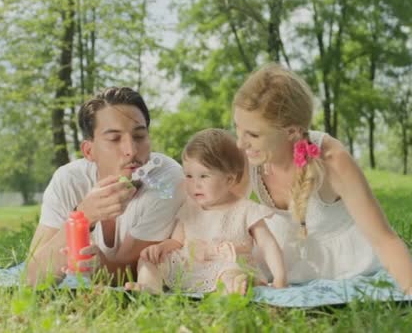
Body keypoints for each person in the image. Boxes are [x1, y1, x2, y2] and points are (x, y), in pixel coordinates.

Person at [232, 63, 412, 295]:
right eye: (238, 128)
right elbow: (229, 223)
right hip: (281, 257)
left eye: (253, 135)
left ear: (292, 132)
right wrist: (237, 270)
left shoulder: (332, 160)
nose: (240, 143)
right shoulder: (249, 157)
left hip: (345, 263)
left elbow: (383, 237)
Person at [25, 87, 185, 285]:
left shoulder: (166, 180)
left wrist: (99, 265)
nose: (131, 150)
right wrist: (84, 217)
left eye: (139, 136)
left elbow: (131, 272)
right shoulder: (69, 180)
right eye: (114, 138)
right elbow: (32, 277)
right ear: (89, 151)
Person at [124, 129, 286, 294]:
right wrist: (160, 248)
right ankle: (149, 288)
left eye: (203, 176)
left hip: (226, 264)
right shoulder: (189, 206)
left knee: (231, 273)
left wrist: (279, 278)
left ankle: (235, 288)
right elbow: (177, 241)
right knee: (149, 259)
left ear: (229, 179)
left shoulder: (246, 210)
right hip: (190, 265)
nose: (195, 184)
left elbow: (268, 245)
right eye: (188, 176)